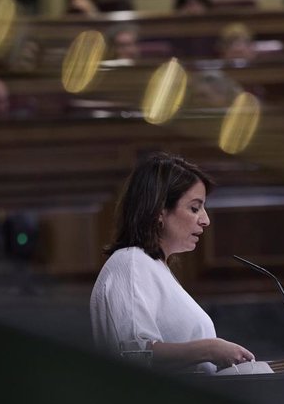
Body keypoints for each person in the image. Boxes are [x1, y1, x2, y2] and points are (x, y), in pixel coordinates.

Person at [90, 152, 255, 374]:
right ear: (159, 211)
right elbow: (134, 355)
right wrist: (209, 348)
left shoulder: (153, 266)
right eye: (195, 208)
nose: (205, 220)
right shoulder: (130, 262)